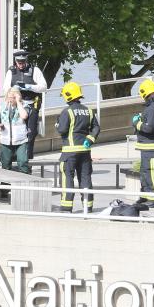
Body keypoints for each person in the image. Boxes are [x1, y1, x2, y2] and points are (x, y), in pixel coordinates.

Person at [56, 82, 100, 213]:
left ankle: (66, 207)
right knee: (85, 177)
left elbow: (62, 130)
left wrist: (57, 125)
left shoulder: (67, 112)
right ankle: (88, 206)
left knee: (67, 177)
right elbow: (96, 127)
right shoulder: (89, 111)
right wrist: (90, 139)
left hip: (69, 152)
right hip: (85, 151)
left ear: (68, 96)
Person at [3, 50, 48, 159]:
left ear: (26, 61)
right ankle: (16, 158)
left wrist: (29, 86)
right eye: (19, 62)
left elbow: (44, 86)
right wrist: (14, 89)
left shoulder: (34, 70)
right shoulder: (11, 72)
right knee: (16, 132)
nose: (21, 65)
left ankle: (28, 159)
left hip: (31, 104)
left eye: (23, 62)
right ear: (15, 62)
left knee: (31, 133)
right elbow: (5, 88)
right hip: (16, 106)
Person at [131, 79, 154, 208]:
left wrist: (136, 123)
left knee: (150, 171)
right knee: (144, 171)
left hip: (151, 146)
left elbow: (149, 128)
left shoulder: (152, 109)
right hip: (148, 146)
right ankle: (145, 195)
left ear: (144, 93)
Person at [0, 88, 30, 174]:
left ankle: (25, 185)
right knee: (5, 166)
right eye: (9, 97)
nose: (10, 99)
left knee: (22, 162)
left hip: (20, 140)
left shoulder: (24, 105)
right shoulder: (3, 106)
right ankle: (5, 186)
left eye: (13, 97)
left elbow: (24, 116)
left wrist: (18, 102)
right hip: (5, 140)